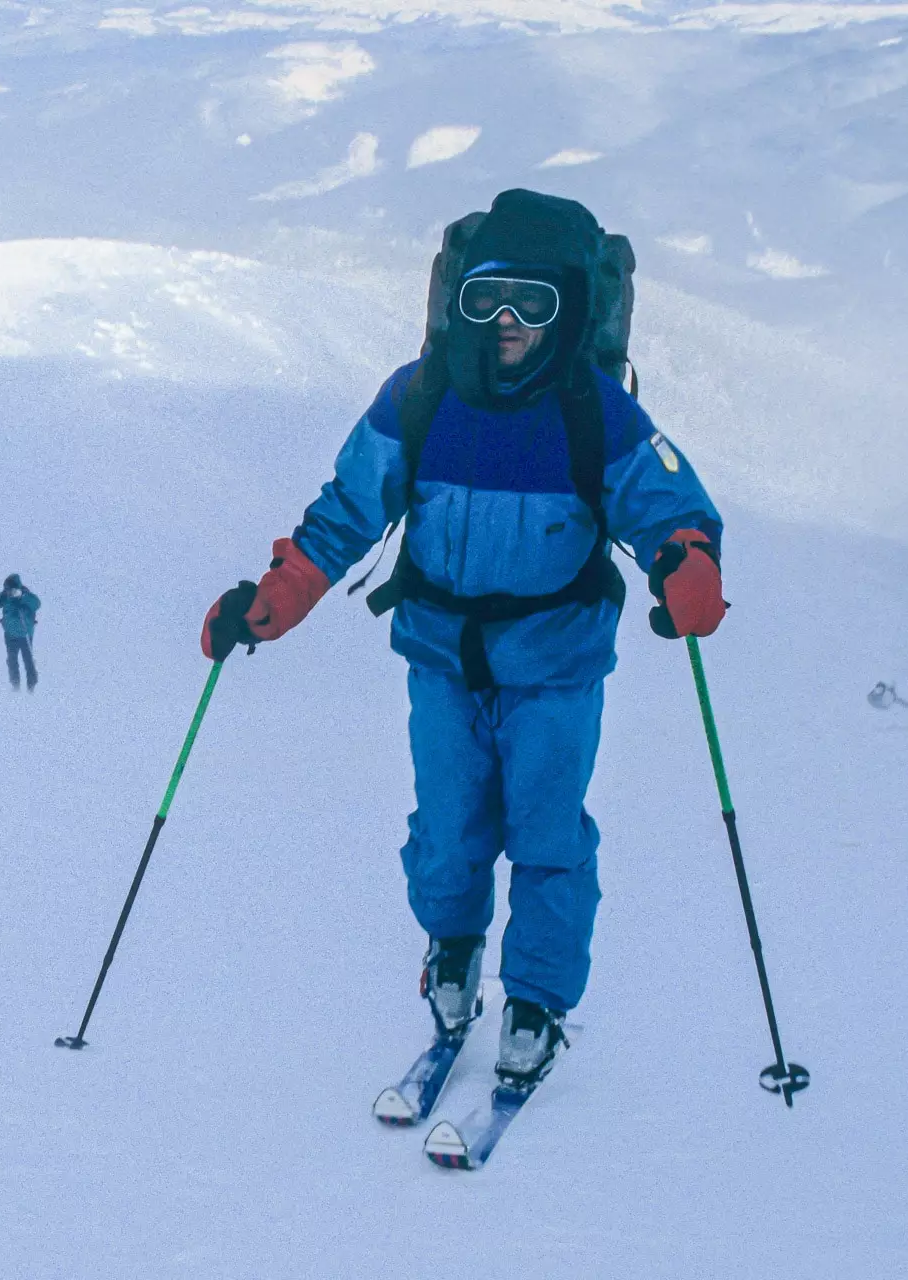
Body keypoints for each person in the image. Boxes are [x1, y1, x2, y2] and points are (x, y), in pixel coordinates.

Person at [202, 190, 727, 1088]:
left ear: (567, 307)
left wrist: (687, 563)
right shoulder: (421, 396)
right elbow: (347, 512)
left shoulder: (593, 409)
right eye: (485, 302)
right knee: (449, 831)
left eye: (533, 303)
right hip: (441, 656)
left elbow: (668, 504)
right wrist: (279, 597)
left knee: (547, 832)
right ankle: (451, 953)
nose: (509, 323)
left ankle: (535, 1001)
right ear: (457, 305)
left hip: (556, 662)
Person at [0, 574, 40, 691]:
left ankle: (32, 685)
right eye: (7, 589)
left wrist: (23, 596)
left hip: (25, 633)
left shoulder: (26, 594)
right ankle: (15, 685)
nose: (10, 592)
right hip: (10, 633)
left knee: (28, 659)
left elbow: (37, 603)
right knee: (12, 660)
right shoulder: (5, 595)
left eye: (12, 590)